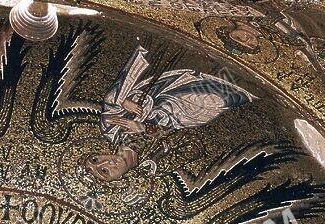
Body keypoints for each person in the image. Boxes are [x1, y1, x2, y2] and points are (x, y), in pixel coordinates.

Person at [82, 45, 255, 183]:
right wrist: (144, 128)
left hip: (161, 91)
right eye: (104, 171)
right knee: (218, 98)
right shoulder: (153, 164)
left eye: (96, 159)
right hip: (182, 114)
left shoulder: (112, 130)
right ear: (118, 180)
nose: (107, 163)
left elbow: (111, 102)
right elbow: (194, 146)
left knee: (198, 67)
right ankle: (247, 65)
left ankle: (230, 53)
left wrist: (123, 101)